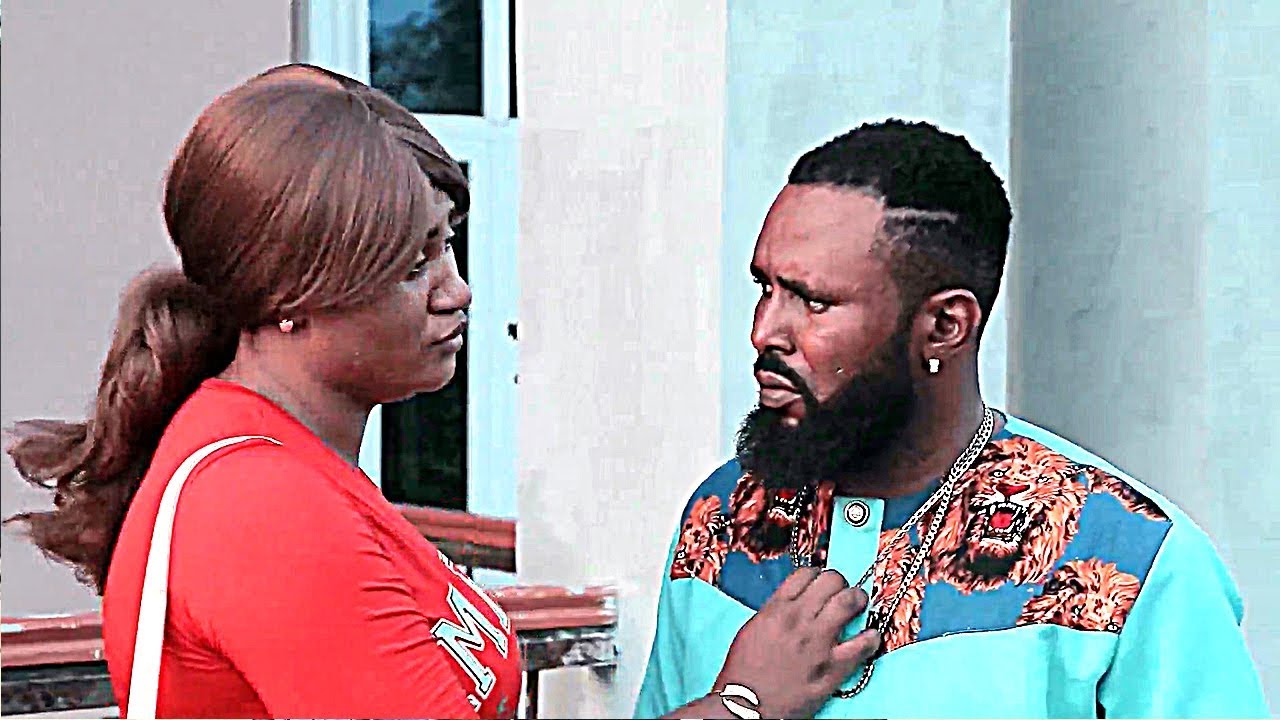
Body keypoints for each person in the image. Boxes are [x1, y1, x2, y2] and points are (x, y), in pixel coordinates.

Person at [634, 119, 1270, 718]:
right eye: (765, 289)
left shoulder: (1133, 561)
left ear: (944, 326)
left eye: (814, 302)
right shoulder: (720, 518)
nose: (764, 332)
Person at [5, 64, 521, 719]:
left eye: (445, 244)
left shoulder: (279, 458)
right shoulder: (263, 507)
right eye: (413, 265)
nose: (456, 291)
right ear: (290, 295)